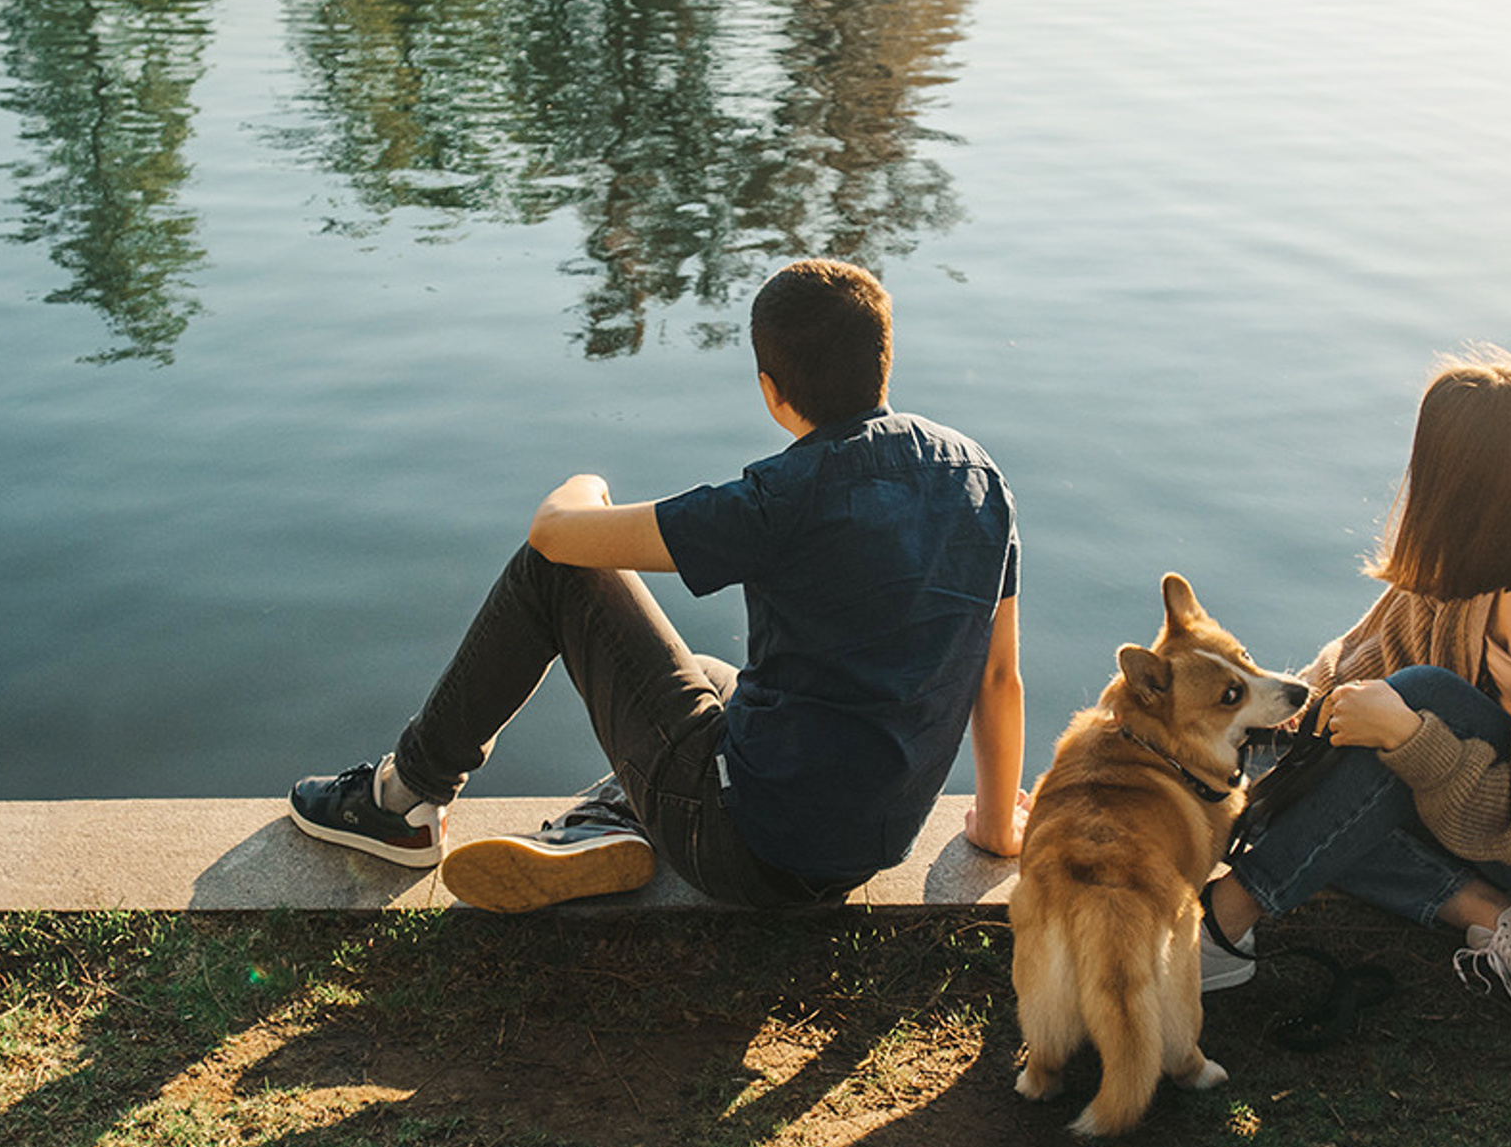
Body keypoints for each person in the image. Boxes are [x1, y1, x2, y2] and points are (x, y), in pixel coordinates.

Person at [289, 257, 1028, 910]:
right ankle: (602, 824)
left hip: (747, 848)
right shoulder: (977, 479)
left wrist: (589, 479)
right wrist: (995, 828)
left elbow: (554, 537)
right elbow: (997, 678)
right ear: (882, 364)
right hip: (870, 842)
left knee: (553, 577)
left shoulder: (779, 498)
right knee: (708, 675)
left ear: (772, 391)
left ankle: (402, 800)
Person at [1200, 350, 1511, 1026]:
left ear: (1487, 499)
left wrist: (1406, 737)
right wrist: (1288, 725)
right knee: (1307, 774)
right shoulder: (1486, 553)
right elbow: (1367, 655)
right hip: (1478, 793)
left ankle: (1221, 928)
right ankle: (1496, 915)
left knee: (1416, 702)